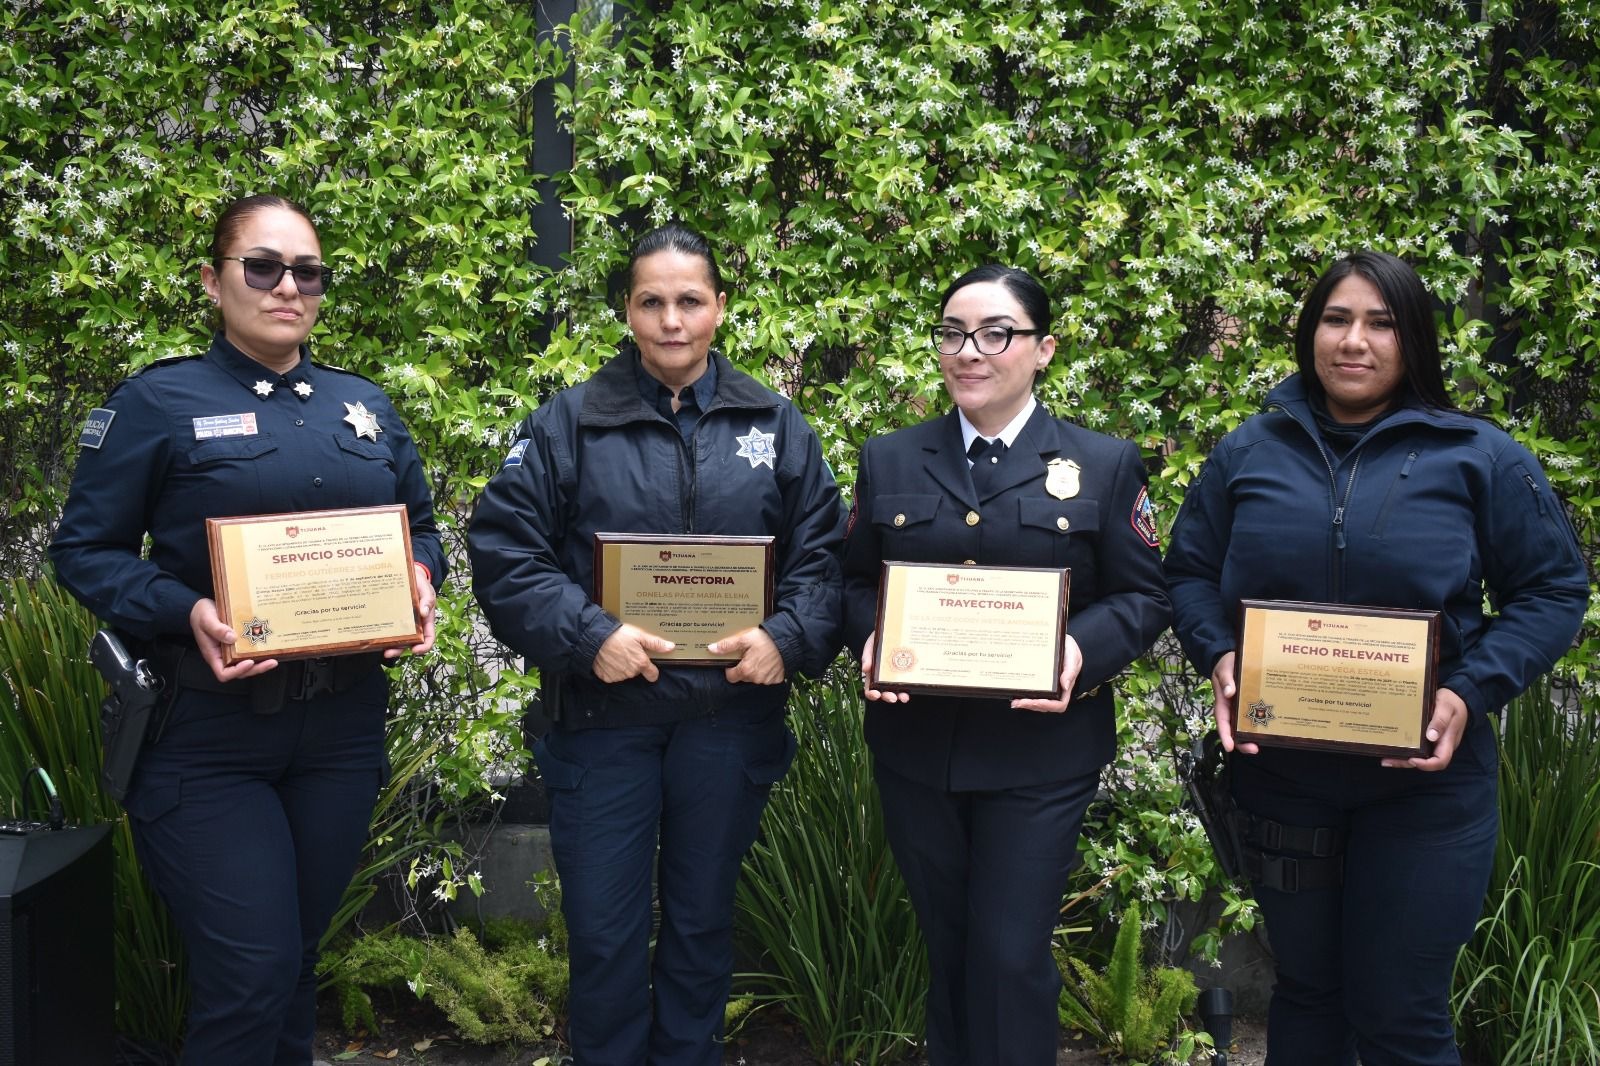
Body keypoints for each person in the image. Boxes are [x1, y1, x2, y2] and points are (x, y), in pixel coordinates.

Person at [1164, 250, 1588, 1065]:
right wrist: (1217, 653)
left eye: (1381, 323)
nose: (1353, 341)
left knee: (1401, 1012)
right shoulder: (1248, 452)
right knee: (1310, 994)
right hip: (1284, 780)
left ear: (1414, 339)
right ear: (1309, 333)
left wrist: (1469, 690)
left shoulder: (1480, 457)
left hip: (1425, 790)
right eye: (1336, 319)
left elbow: (1552, 591)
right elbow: (1186, 572)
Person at [49, 194, 444, 1065]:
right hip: (206, 737)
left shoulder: (362, 404)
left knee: (295, 963)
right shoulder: (159, 402)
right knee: (250, 973)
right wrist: (185, 611)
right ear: (212, 280)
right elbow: (84, 551)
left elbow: (423, 526)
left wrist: (419, 579)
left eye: (307, 271)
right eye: (262, 267)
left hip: (339, 732)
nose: (287, 287)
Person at [466, 223, 843, 1066]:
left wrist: (785, 637)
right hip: (603, 720)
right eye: (652, 302)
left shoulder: (776, 425)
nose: (672, 319)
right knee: (604, 933)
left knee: (704, 926)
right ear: (627, 313)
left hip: (727, 720)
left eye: (690, 300)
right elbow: (502, 549)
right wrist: (588, 633)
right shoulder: (569, 421)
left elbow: (824, 557)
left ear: (719, 308)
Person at [840, 264, 1171, 1066]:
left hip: (1039, 756)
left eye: (995, 334)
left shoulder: (1103, 463)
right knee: (949, 947)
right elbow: (848, 581)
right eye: (952, 334)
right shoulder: (889, 459)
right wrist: (871, 635)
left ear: (1043, 349)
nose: (968, 351)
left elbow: (1144, 596)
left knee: (1009, 952)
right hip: (919, 752)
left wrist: (1078, 651)